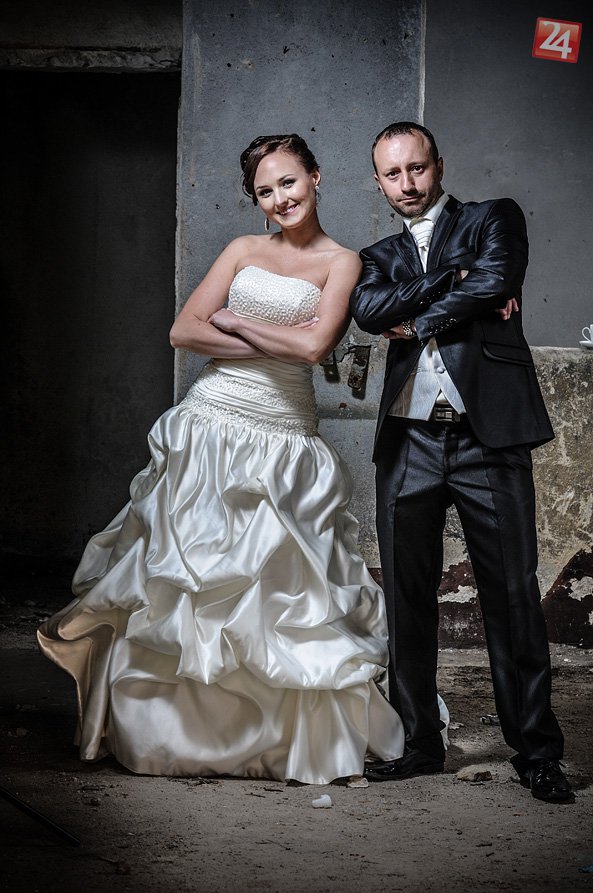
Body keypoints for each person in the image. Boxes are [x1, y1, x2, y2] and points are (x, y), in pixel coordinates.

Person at [38, 133, 432, 785]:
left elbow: (315, 350)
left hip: (284, 436)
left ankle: (276, 741)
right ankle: (178, 737)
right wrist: (280, 338)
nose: (279, 199)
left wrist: (240, 323)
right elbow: (183, 331)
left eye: (288, 182)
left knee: (280, 593)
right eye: (264, 191)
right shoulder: (242, 250)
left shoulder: (343, 262)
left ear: (316, 176)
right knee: (190, 585)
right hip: (209, 425)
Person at [350, 121, 571, 802]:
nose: (407, 184)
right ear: (378, 182)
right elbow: (368, 310)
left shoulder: (492, 218)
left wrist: (418, 318)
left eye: (417, 168)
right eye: (393, 174)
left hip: (488, 437)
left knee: (511, 595)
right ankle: (420, 743)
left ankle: (536, 752)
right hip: (409, 441)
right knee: (406, 598)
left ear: (438, 166)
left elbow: (496, 278)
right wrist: (454, 280)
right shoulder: (375, 254)